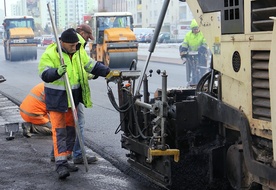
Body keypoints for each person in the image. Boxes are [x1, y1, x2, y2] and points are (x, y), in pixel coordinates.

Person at [38, 28, 111, 179]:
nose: (74, 47)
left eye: (76, 44)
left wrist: (108, 72)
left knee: (71, 131)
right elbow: (44, 74)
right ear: (63, 43)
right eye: (71, 45)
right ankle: (60, 165)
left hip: (73, 100)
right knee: (60, 132)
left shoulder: (78, 52)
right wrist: (56, 72)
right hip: (57, 100)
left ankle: (67, 158)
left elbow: (91, 65)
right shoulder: (51, 53)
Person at [180, 19, 207, 84]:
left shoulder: (202, 34)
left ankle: (202, 81)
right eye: (194, 29)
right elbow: (185, 44)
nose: (196, 30)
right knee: (192, 68)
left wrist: (201, 49)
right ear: (192, 29)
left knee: (202, 69)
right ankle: (192, 81)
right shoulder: (188, 35)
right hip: (191, 55)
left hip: (201, 55)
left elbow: (205, 43)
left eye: (197, 28)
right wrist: (183, 50)